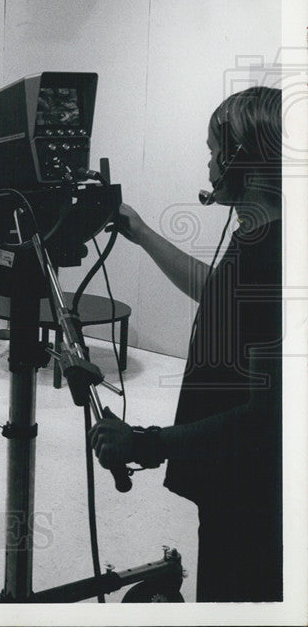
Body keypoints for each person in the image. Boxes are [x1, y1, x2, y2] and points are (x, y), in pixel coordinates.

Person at [88, 86, 282, 602]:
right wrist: (143, 233)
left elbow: (266, 416)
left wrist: (145, 443)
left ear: (244, 158)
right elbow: (216, 290)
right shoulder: (258, 237)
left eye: (217, 150)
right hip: (231, 482)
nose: (212, 163)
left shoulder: (274, 257)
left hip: (250, 491)